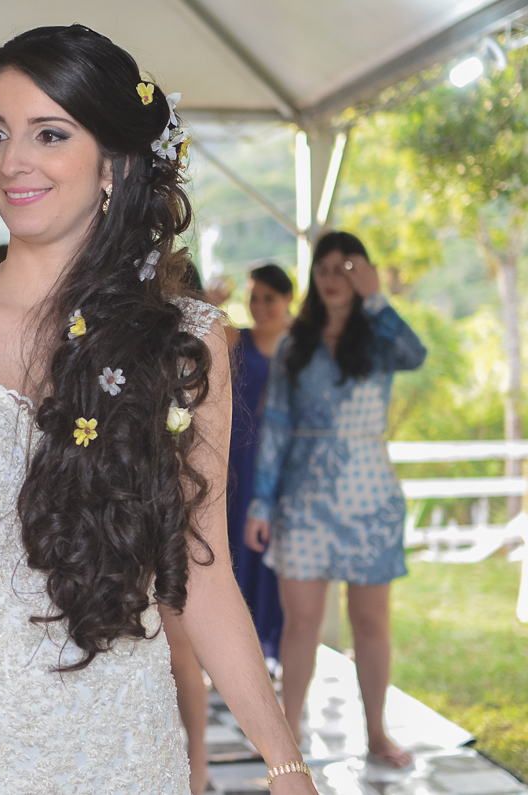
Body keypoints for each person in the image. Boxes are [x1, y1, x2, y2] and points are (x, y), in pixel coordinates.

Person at [0, 25, 323, 793]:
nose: (12, 162)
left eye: (49, 133)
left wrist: (285, 762)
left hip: (118, 749)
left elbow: (200, 577)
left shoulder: (189, 342)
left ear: (112, 163)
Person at [246, 232, 425, 769]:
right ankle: (288, 738)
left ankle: (376, 732)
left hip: (370, 494)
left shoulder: (380, 337)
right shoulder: (295, 344)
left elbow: (416, 355)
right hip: (303, 497)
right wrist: (260, 503)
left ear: (364, 273)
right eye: (324, 266)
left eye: (346, 266)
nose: (332, 276)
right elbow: (275, 424)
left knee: (372, 621)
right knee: (301, 622)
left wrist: (378, 300)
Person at [228, 264, 293, 661]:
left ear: (288, 299)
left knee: (279, 556)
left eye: (270, 297)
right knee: (235, 548)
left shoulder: (304, 345)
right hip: (238, 458)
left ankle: (280, 649)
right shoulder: (235, 337)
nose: (261, 306)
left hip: (283, 462)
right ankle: (233, 653)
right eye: (254, 297)